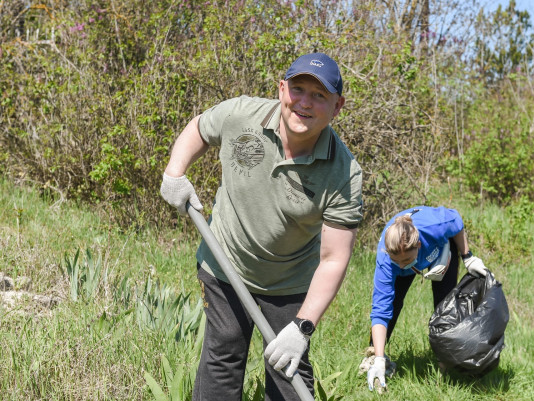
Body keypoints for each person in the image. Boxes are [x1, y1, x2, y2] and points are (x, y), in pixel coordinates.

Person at [160, 52, 363, 401]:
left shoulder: (344, 174)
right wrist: (174, 173)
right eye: (298, 89)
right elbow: (200, 129)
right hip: (225, 261)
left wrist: (302, 328)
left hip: (290, 281)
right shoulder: (242, 114)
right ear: (282, 89)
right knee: (223, 355)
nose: (305, 103)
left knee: (289, 370)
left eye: (319, 96)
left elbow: (333, 258)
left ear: (337, 106)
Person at [366, 206, 490, 391]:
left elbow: (456, 221)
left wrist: (468, 257)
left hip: (440, 249)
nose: (401, 265)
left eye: (405, 261)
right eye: (396, 260)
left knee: (444, 305)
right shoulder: (387, 259)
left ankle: (444, 365)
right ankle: (373, 358)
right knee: (393, 304)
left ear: (418, 246)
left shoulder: (436, 226)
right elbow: (380, 311)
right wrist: (378, 359)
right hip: (406, 255)